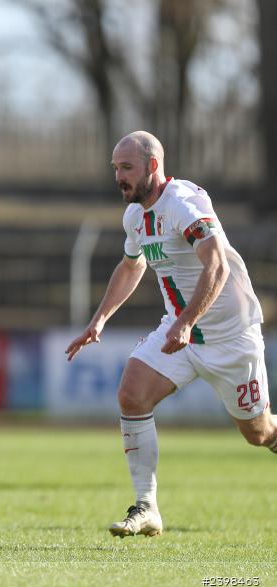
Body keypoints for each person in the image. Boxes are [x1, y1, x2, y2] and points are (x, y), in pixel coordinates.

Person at [66, 130, 276, 538]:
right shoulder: (135, 217)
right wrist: (100, 319)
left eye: (126, 168)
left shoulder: (185, 203)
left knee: (260, 433)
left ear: (153, 166)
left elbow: (217, 265)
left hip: (231, 338)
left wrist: (187, 321)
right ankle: (146, 507)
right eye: (115, 168)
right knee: (131, 393)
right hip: (179, 333)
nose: (118, 176)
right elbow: (132, 266)